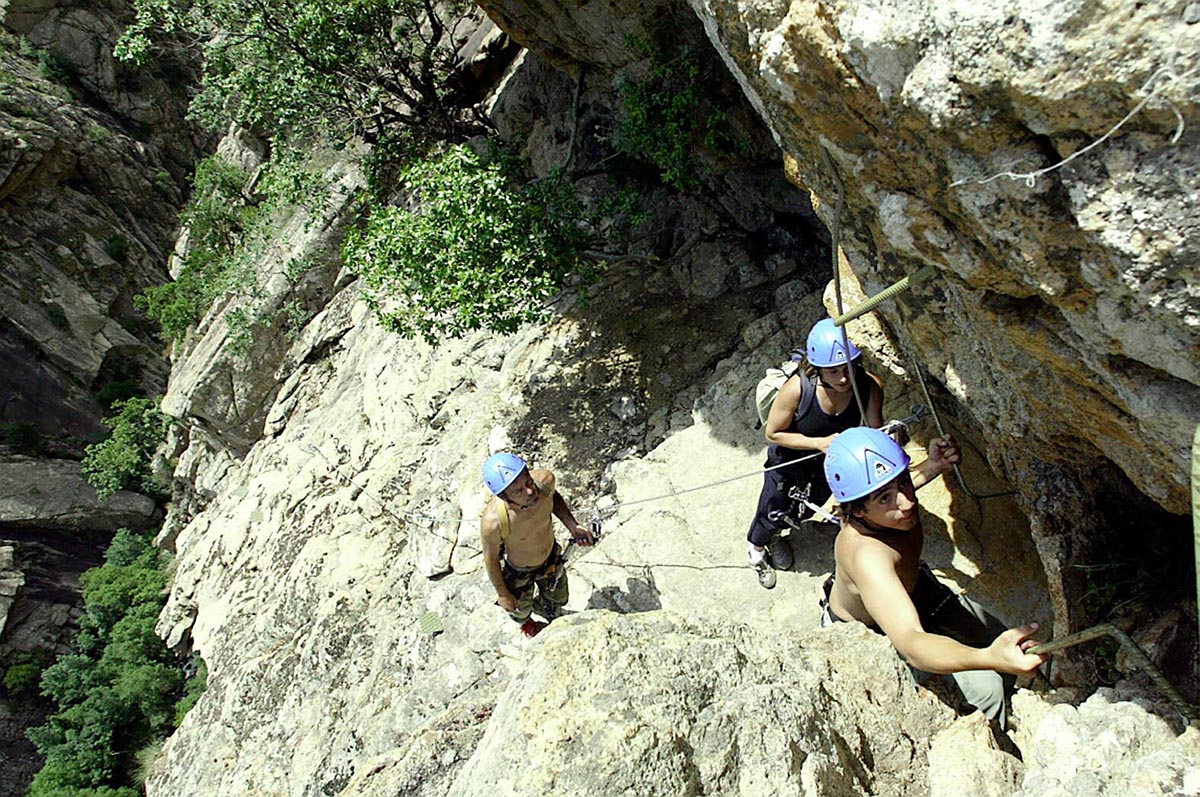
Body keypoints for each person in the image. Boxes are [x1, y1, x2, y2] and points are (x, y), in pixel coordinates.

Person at [819, 426, 1046, 730]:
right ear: (858, 512)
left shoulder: (884, 505)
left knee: (1000, 636)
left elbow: (895, 486)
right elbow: (912, 643)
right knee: (987, 690)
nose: (906, 502)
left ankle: (1015, 690)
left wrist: (933, 465)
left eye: (903, 483)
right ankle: (998, 738)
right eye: (885, 498)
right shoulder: (868, 558)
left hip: (919, 590)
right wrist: (987, 657)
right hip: (878, 629)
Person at [747, 318, 884, 588]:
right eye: (833, 371)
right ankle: (757, 550)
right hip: (789, 460)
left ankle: (784, 529)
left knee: (813, 502)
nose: (844, 378)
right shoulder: (798, 389)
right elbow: (773, 433)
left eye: (848, 368)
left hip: (830, 460)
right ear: (819, 368)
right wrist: (819, 444)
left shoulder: (867, 387)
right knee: (773, 505)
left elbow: (874, 430)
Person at [480, 452, 595, 637]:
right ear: (504, 497)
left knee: (559, 598)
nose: (530, 492)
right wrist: (503, 594)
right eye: (518, 491)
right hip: (519, 570)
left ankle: (545, 608)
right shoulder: (494, 522)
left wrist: (573, 526)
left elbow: (553, 497)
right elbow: (490, 558)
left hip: (551, 557)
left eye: (528, 482)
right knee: (518, 610)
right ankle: (527, 624)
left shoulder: (544, 482)